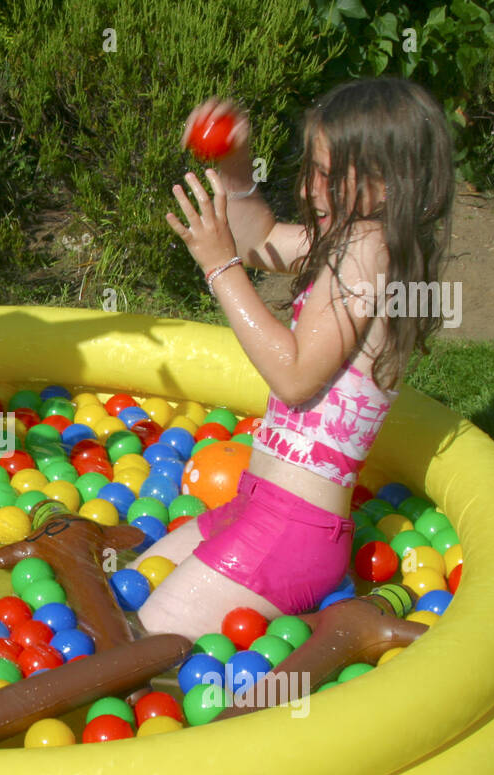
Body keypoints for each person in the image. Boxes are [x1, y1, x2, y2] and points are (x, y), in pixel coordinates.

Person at [135, 77, 454, 638]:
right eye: (312, 170)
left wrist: (218, 268)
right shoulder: (354, 240)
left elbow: (294, 375)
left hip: (289, 532)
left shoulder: (369, 251)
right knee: (129, 589)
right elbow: (258, 237)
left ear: (388, 182)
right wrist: (236, 169)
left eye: (327, 175)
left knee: (150, 637)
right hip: (256, 509)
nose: (308, 190)